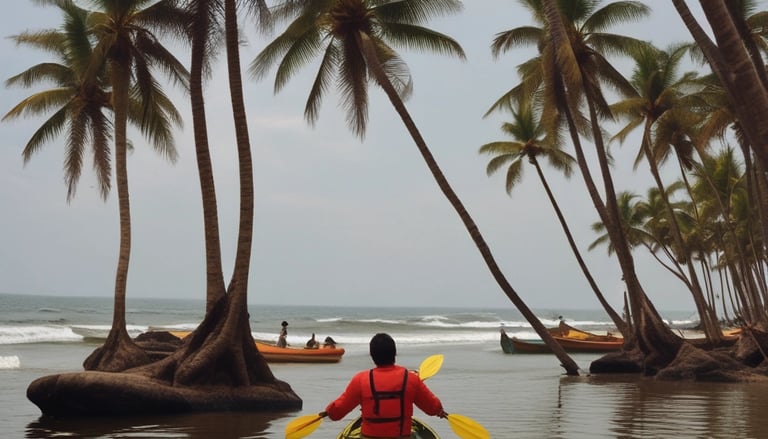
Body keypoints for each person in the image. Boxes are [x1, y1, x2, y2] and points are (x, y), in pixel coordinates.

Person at [322, 333, 447, 438]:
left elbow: (337, 412)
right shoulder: (411, 379)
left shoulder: (360, 380)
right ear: (395, 354)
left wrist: (328, 411)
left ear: (372, 355)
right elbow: (432, 407)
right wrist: (439, 411)